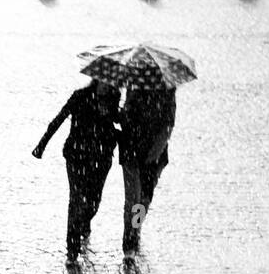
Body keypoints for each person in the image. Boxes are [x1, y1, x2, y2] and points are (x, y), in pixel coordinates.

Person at [33, 79, 120, 264]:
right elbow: (59, 119)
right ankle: (72, 250)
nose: (107, 85)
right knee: (76, 199)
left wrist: (118, 118)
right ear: (96, 79)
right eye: (103, 81)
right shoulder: (80, 96)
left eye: (110, 82)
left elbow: (118, 123)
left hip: (101, 158)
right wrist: (42, 144)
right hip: (76, 155)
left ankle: (84, 222)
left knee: (94, 201)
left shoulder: (114, 99)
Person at [117, 79, 177, 256]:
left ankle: (135, 228)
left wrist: (155, 152)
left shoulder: (167, 91)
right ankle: (129, 241)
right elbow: (125, 120)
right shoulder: (133, 87)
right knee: (132, 199)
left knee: (144, 198)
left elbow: (168, 125)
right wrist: (124, 111)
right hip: (131, 151)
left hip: (153, 157)